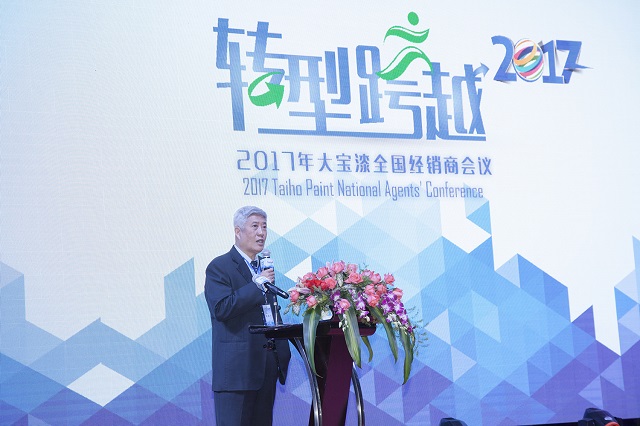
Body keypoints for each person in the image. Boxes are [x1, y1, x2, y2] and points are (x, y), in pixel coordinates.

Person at [205, 206, 291, 426]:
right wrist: (257, 285)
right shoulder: (220, 267)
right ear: (238, 231)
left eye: (264, 227)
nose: (261, 233)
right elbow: (222, 308)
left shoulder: (262, 268)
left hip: (266, 367)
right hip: (237, 372)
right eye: (255, 226)